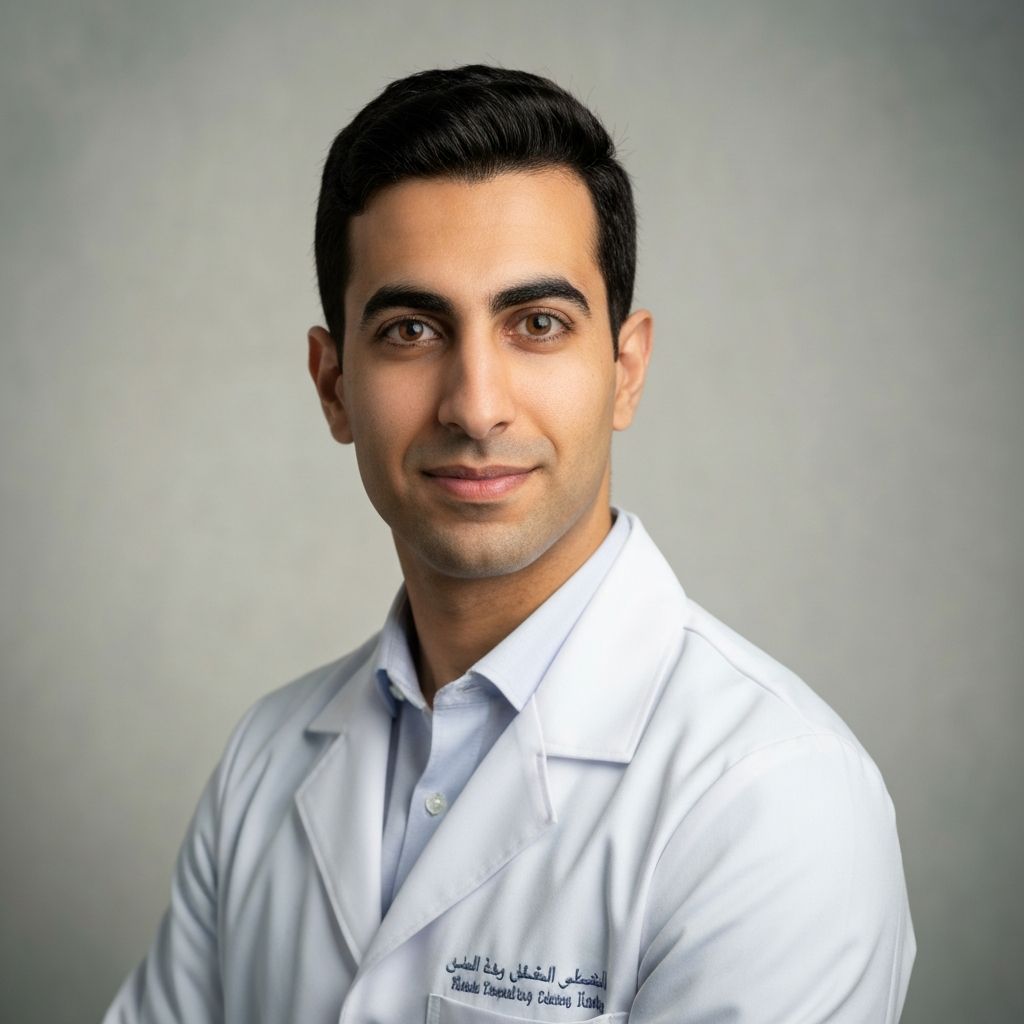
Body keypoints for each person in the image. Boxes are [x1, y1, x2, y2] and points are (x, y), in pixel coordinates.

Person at [103, 65, 915, 1023]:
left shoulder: (775, 797)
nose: (476, 405)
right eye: (412, 329)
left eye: (537, 323)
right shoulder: (265, 758)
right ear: (333, 386)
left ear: (625, 369)